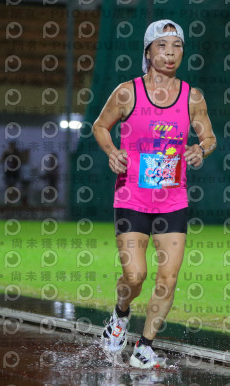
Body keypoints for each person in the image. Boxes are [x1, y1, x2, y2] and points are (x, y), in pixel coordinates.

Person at [92, 19, 216, 369]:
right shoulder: (127, 93)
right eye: (162, 46)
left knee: (168, 278)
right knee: (135, 276)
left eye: (177, 46)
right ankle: (120, 314)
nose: (170, 53)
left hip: (172, 200)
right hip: (131, 196)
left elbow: (209, 137)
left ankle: (145, 346)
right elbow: (100, 126)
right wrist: (112, 152)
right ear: (147, 52)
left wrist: (200, 149)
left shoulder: (192, 97)